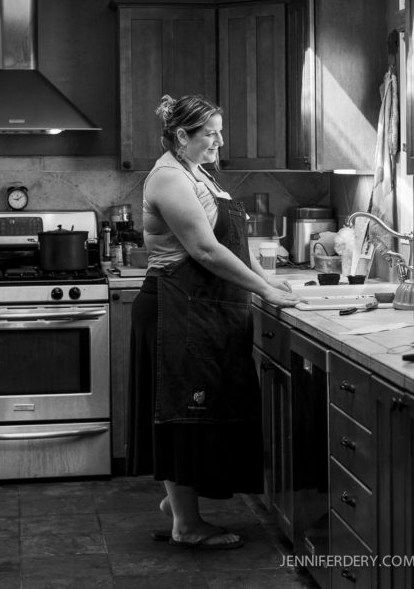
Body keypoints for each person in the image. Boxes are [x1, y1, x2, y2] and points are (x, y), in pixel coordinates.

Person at [128, 93, 300, 550]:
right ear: (182, 136)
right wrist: (262, 289)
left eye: (220, 132)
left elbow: (234, 246)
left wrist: (267, 280)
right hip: (176, 308)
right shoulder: (168, 177)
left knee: (208, 408)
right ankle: (185, 523)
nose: (219, 142)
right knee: (186, 412)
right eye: (210, 134)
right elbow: (204, 249)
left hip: (207, 310)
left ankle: (179, 500)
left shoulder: (197, 172)